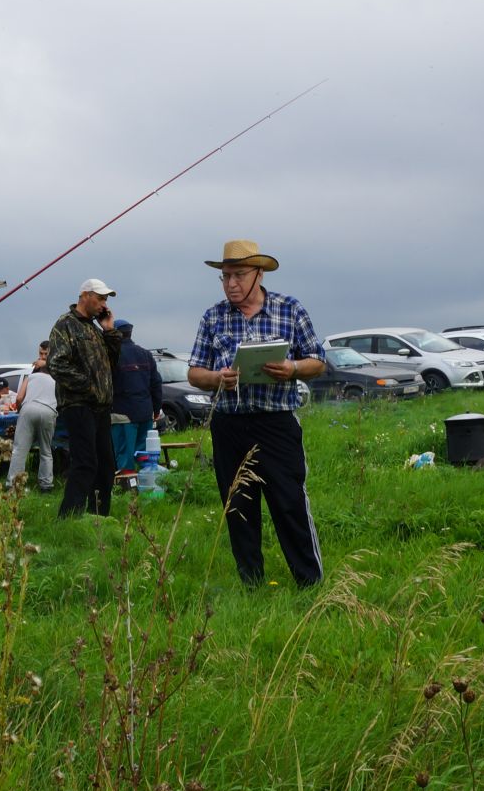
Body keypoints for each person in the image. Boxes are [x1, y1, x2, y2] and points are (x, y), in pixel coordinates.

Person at [186, 239, 325, 588]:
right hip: (229, 423)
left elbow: (318, 361)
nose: (231, 284)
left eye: (239, 275)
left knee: (289, 501)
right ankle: (252, 583)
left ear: (259, 274)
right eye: (226, 277)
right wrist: (217, 378)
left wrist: (292, 368)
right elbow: (194, 372)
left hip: (276, 421)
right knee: (238, 506)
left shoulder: (289, 309)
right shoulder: (213, 316)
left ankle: (309, 582)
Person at [47, 278, 125, 518]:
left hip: (100, 406)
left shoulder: (94, 328)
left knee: (106, 465)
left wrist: (110, 330)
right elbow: (56, 364)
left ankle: (98, 516)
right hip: (78, 404)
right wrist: (88, 386)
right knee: (85, 463)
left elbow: (111, 364)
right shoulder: (65, 324)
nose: (104, 303)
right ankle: (68, 517)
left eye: (106, 299)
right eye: (100, 298)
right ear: (84, 296)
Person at [110, 321, 164, 472]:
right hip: (145, 412)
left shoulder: (113, 355)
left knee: (124, 455)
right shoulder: (145, 354)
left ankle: (127, 488)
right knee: (144, 455)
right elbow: (156, 383)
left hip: (122, 414)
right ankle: (147, 486)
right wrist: (156, 409)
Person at [8, 347, 58, 494]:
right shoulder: (57, 380)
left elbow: (18, 398)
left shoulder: (30, 377)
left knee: (19, 449)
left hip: (28, 409)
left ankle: (14, 483)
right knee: (46, 450)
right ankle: (46, 485)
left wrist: (19, 410)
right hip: (49, 411)